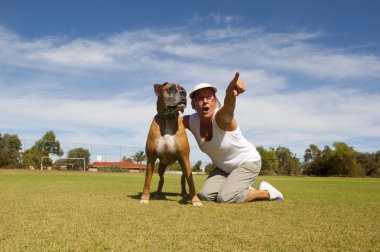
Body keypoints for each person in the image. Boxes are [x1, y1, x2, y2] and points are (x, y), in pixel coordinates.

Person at [183, 72, 284, 203]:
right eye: (200, 98)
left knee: (225, 198)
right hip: (223, 168)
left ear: (215, 101)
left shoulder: (220, 118)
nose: (205, 101)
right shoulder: (191, 121)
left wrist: (230, 94)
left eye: (209, 97)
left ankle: (267, 192)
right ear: (193, 105)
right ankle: (238, 187)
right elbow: (171, 121)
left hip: (247, 162)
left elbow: (228, 111)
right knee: (204, 195)